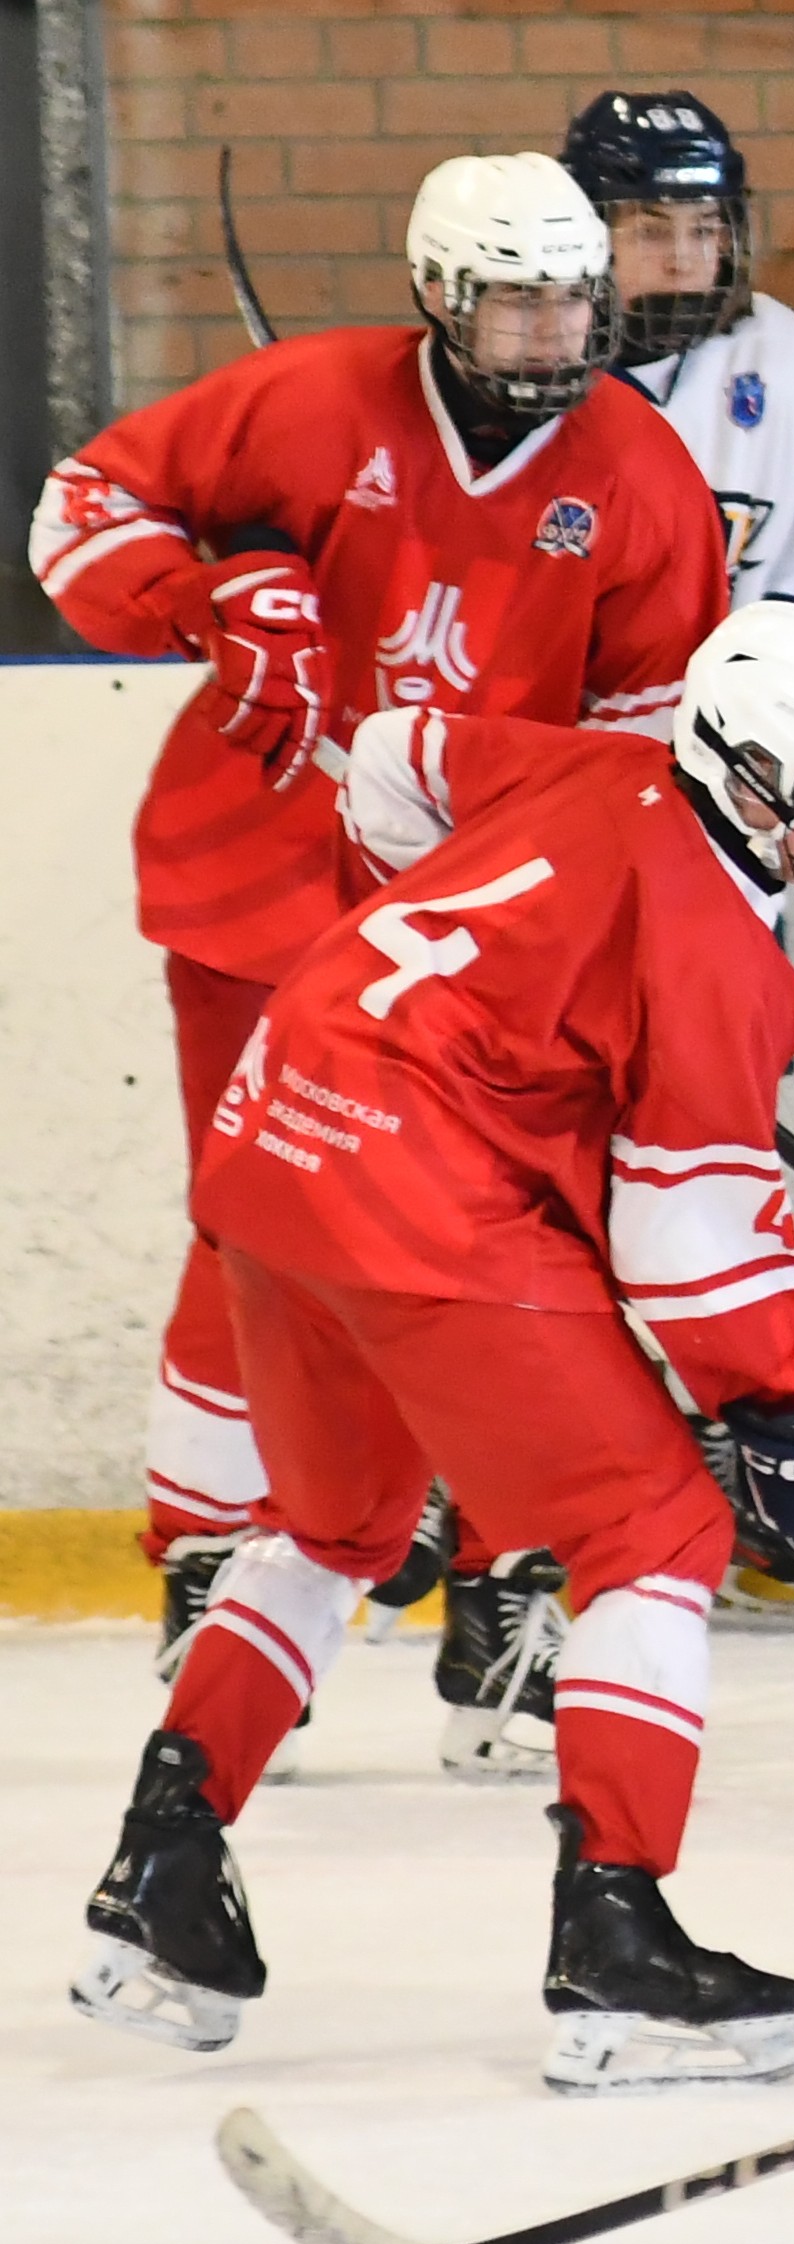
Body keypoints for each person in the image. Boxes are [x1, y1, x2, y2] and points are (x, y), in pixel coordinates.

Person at [66, 601, 794, 2088]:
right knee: (653, 1528)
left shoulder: (592, 769)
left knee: (334, 1528)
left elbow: (392, 761)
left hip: (279, 1128)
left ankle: (162, 1871)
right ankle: (617, 1939)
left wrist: (514, 990)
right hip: (410, 1186)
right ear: (746, 764)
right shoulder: (722, 952)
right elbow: (689, 1239)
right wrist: (789, 1413)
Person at [24, 151, 731, 1754]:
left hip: (482, 938)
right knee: (258, 1232)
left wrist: (593, 919)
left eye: (578, 300)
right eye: (521, 302)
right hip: (258, 893)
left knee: (524, 1254)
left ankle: (502, 1583)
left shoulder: (637, 469)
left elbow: (648, 738)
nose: (558, 334)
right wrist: (210, 593)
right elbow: (81, 508)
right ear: (438, 295)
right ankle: (210, 1558)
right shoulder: (305, 400)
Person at [559, 91, 794, 613]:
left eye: (705, 228)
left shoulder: (778, 348)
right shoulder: (543, 364)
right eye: (651, 231)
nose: (684, 260)